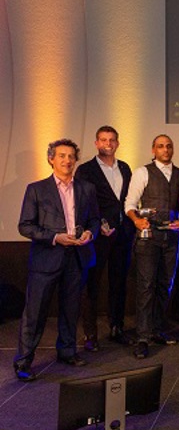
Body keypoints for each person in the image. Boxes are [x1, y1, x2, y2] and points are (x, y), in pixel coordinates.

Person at [14, 139, 100, 381]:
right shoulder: (36, 189)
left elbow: (95, 219)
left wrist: (89, 233)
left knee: (71, 309)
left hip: (77, 257)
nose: (67, 160)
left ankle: (67, 352)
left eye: (71, 156)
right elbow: (25, 226)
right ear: (51, 159)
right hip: (46, 259)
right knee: (35, 313)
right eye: (62, 155)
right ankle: (23, 361)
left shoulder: (87, 188)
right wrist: (54, 237)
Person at [75, 126, 135, 350]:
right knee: (92, 285)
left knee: (119, 283)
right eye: (103, 140)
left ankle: (116, 328)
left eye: (111, 140)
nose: (108, 143)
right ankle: (90, 335)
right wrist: (98, 224)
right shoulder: (85, 170)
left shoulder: (125, 168)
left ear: (117, 143)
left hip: (123, 234)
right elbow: (81, 202)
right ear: (96, 143)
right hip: (97, 236)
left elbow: (127, 200)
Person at [125, 134, 179, 359]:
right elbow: (130, 204)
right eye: (160, 146)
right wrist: (136, 221)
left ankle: (157, 330)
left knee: (165, 285)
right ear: (153, 150)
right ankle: (142, 337)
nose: (165, 149)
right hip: (148, 237)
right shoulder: (142, 172)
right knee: (146, 286)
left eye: (169, 146)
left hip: (171, 237)